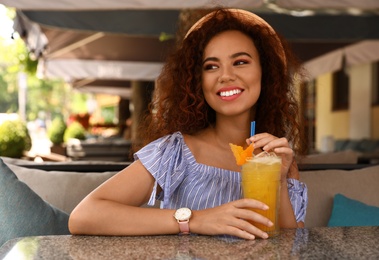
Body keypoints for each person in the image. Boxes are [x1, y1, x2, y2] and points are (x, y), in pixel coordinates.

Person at [69, 8, 308, 240]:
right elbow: (84, 215)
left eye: (240, 62)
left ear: (265, 73)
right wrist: (195, 220)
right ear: (197, 81)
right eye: (211, 66)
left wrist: (279, 180)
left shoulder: (278, 159)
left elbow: (293, 245)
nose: (225, 75)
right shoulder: (177, 152)